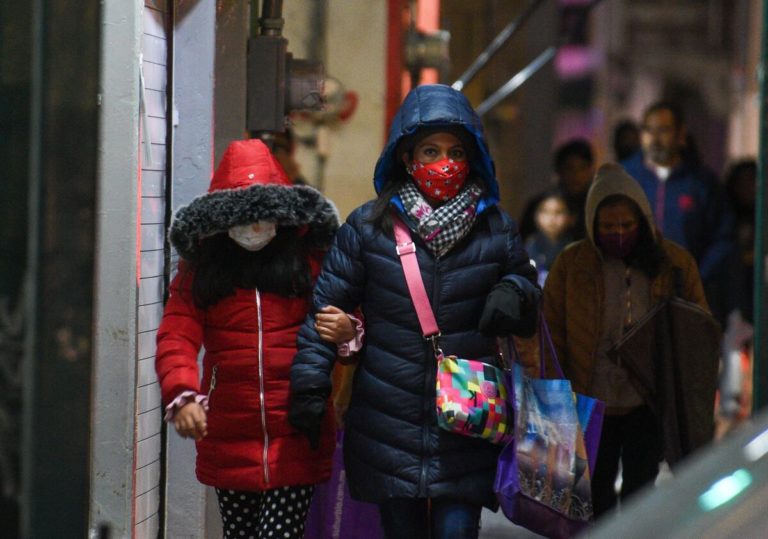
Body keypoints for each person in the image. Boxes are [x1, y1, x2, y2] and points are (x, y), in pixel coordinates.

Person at [288, 84, 541, 539]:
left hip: (467, 422)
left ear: (473, 158)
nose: (445, 163)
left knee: (457, 531)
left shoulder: (496, 229)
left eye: (456, 151)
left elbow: (526, 292)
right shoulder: (367, 228)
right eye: (430, 150)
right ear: (407, 157)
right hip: (388, 423)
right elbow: (325, 312)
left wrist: (515, 293)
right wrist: (310, 386)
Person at [154, 139, 360, 539]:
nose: (254, 228)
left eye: (264, 216)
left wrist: (349, 330)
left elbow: (347, 314)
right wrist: (181, 393)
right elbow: (176, 332)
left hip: (297, 431)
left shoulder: (309, 266)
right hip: (228, 433)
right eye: (243, 218)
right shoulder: (201, 276)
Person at [543, 163, 710, 518]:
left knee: (641, 492)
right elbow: (552, 331)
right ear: (592, 225)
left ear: (643, 221)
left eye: (626, 225)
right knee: (592, 494)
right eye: (607, 226)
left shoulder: (674, 263)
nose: (618, 233)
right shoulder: (572, 265)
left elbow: (699, 328)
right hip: (589, 401)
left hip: (646, 399)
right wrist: (555, 394)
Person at [621, 101, 735, 325]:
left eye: (663, 130)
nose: (654, 138)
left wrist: (697, 277)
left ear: (681, 134)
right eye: (647, 130)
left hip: (686, 298)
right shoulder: (625, 177)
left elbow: (723, 237)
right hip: (632, 296)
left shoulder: (700, 182)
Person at [519, 138, 595, 242]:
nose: (577, 175)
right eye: (570, 168)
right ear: (559, 171)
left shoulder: (595, 207)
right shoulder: (541, 205)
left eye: (582, 168)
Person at [524, 188, 574, 285]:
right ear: (535, 216)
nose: (551, 219)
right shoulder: (529, 246)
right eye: (545, 212)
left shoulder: (575, 249)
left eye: (559, 212)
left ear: (572, 218)